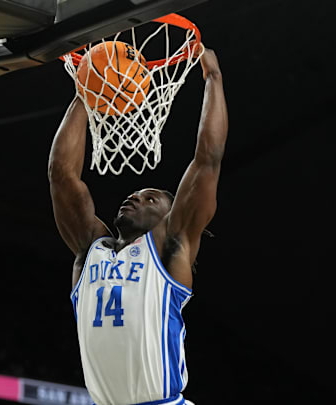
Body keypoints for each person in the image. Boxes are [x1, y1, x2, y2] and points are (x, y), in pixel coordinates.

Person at [47, 45, 228, 405]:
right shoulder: (90, 249)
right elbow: (61, 175)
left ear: (169, 215)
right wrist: (88, 89)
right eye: (135, 194)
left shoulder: (169, 247)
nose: (135, 199)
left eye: (150, 199)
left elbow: (207, 161)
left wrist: (213, 79)